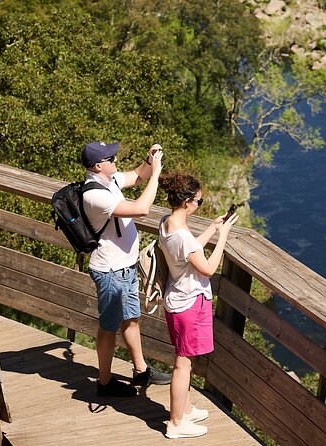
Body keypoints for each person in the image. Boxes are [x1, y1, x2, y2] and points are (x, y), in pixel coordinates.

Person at [81, 140, 171, 397]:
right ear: (98, 166)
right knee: (108, 327)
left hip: (125, 267)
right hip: (110, 271)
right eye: (111, 158)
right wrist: (157, 174)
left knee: (131, 320)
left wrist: (149, 160)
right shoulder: (94, 195)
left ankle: (141, 371)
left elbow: (137, 176)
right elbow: (141, 209)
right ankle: (105, 382)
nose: (115, 160)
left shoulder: (110, 181)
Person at [157, 172, 238, 439]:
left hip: (176, 299)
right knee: (183, 364)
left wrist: (213, 228)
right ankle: (176, 423)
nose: (199, 205)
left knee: (185, 360)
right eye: (199, 202)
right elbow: (208, 268)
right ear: (187, 202)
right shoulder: (182, 236)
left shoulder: (166, 223)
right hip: (188, 304)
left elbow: (189, 252)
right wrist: (223, 236)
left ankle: (186, 408)